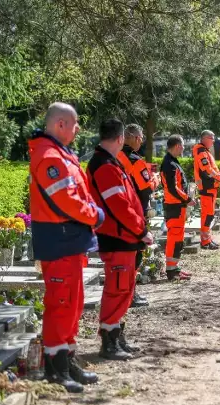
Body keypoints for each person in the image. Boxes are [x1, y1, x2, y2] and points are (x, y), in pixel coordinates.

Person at [30, 102, 105, 393]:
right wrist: (95, 215)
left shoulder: (60, 154)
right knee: (60, 305)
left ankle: (67, 359)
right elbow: (67, 200)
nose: (78, 130)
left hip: (70, 241)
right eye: (74, 124)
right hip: (59, 241)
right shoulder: (49, 156)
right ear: (61, 124)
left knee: (72, 305)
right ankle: (54, 367)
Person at [86, 119, 153, 361]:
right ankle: (109, 340)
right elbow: (119, 206)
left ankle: (115, 333)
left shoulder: (109, 162)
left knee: (123, 288)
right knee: (117, 289)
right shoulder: (104, 165)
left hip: (123, 236)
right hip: (117, 236)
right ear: (121, 138)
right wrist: (141, 230)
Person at [117, 123, 158, 308]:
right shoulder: (135, 160)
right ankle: (129, 295)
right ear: (133, 138)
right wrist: (155, 180)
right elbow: (146, 189)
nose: (141, 141)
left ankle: (123, 293)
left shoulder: (115, 157)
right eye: (141, 138)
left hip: (118, 211)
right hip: (135, 213)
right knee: (135, 255)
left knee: (122, 256)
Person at [162, 135, 196, 280]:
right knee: (174, 239)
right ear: (177, 146)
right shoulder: (169, 164)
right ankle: (171, 271)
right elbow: (173, 188)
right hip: (174, 207)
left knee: (177, 239)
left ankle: (174, 268)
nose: (183, 148)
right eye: (182, 146)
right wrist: (187, 199)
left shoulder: (172, 162)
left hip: (177, 206)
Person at [193, 130, 220, 249]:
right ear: (205, 138)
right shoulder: (201, 151)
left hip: (210, 187)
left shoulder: (204, 150)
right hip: (207, 187)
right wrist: (219, 177)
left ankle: (207, 239)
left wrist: (219, 175)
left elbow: (210, 169)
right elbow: (207, 170)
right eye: (212, 138)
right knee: (207, 215)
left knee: (209, 214)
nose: (213, 140)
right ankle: (205, 241)